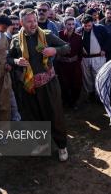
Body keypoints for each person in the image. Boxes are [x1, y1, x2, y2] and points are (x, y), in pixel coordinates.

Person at [7, 8, 71, 161]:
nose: (33, 24)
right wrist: (16, 61)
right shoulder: (16, 39)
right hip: (29, 86)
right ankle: (43, 143)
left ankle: (62, 146)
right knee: (34, 117)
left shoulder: (47, 35)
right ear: (21, 23)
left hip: (48, 84)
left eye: (34, 20)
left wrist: (53, 51)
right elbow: (9, 58)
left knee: (54, 115)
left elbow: (67, 47)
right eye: (29, 21)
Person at [80, 14, 109, 102]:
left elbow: (108, 39)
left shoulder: (100, 28)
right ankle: (90, 94)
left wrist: (104, 49)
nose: (87, 27)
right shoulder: (79, 31)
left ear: (92, 23)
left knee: (99, 76)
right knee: (87, 77)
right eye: (85, 26)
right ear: (82, 24)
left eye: (89, 25)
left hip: (98, 56)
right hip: (85, 58)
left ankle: (100, 96)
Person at [56, 16, 83, 110]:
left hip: (75, 64)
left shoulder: (78, 37)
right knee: (63, 84)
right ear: (64, 24)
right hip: (62, 65)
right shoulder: (59, 35)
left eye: (73, 24)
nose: (71, 26)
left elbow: (80, 52)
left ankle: (74, 102)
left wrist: (77, 62)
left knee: (76, 84)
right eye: (69, 24)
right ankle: (65, 101)